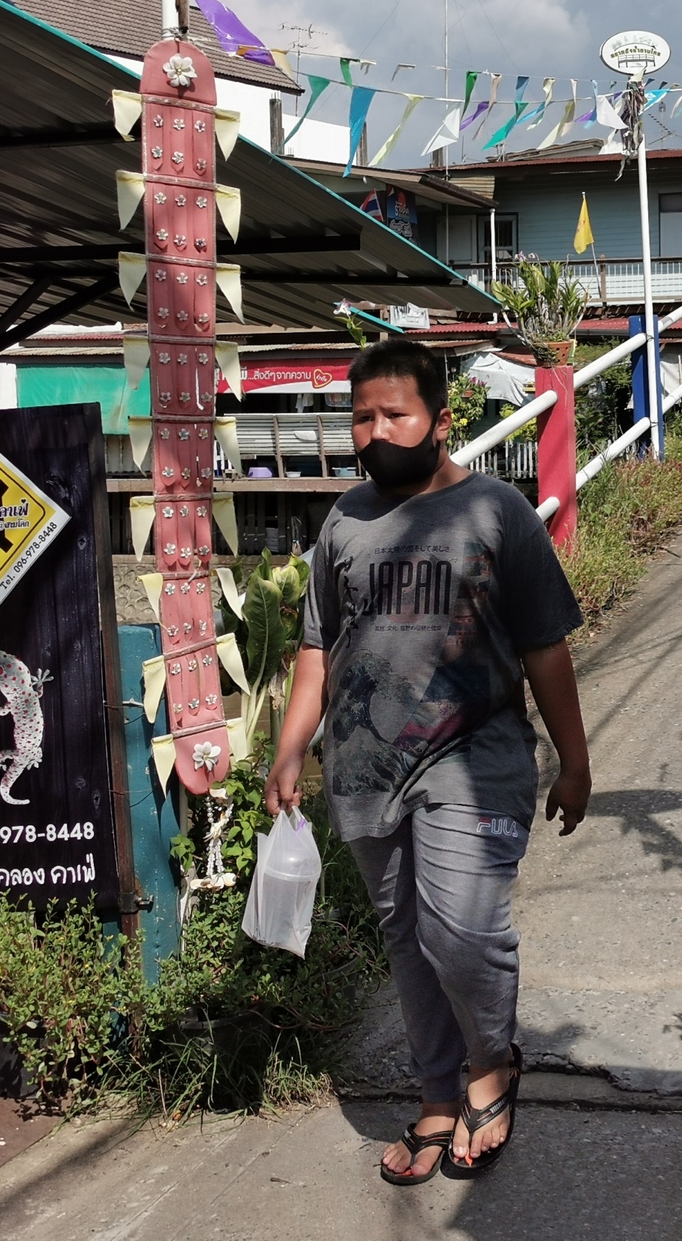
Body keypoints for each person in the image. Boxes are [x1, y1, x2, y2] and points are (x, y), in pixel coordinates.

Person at [264, 340, 592, 1186]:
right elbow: (316, 653)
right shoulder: (342, 522)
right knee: (408, 940)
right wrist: (289, 748)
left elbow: (545, 647)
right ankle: (438, 1095)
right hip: (367, 768)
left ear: (442, 420)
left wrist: (575, 761)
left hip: (475, 761)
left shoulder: (497, 513)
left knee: (462, 928)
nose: (374, 432)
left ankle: (493, 1065)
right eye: (360, 416)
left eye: (394, 414)